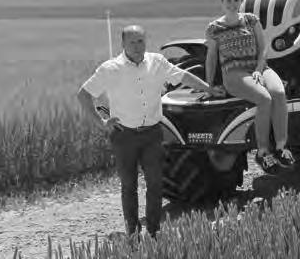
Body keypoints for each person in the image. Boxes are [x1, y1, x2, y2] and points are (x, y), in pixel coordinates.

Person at [76, 25, 216, 239]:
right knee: (129, 186)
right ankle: (132, 233)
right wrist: (102, 121)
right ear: (123, 44)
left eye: (141, 41)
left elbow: (182, 76)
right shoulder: (110, 68)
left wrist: (208, 88)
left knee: (156, 183)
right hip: (124, 136)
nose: (137, 46)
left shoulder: (157, 62)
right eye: (132, 42)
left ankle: (154, 231)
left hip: (152, 134)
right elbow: (84, 95)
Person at [205, 0, 295, 174]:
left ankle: (281, 147)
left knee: (278, 93)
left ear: (241, 1)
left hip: (258, 67)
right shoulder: (214, 28)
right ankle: (263, 152)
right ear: (222, 2)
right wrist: (209, 86)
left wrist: (258, 70)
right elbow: (211, 58)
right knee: (263, 99)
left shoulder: (251, 20)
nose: (232, 4)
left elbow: (263, 48)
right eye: (228, 0)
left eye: (236, 0)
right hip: (234, 73)